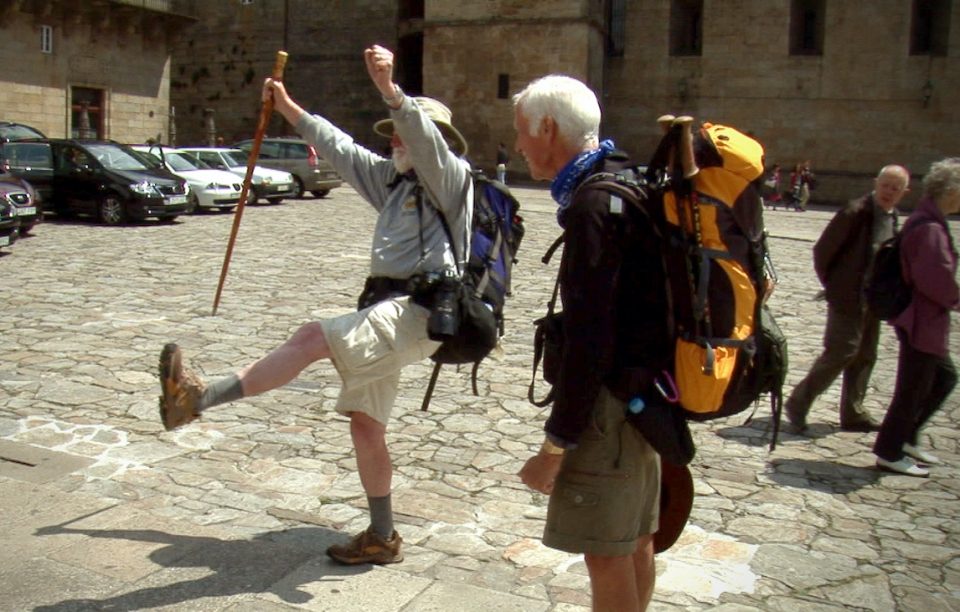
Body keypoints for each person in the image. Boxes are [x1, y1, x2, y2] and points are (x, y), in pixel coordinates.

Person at [156, 44, 473, 565]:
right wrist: (287, 107)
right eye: (392, 132)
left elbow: (420, 135)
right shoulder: (392, 180)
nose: (396, 138)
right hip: (386, 310)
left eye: (405, 132)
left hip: (422, 310)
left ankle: (195, 398)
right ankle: (383, 536)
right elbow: (339, 147)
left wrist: (393, 92)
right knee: (366, 424)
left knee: (310, 338)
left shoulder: (450, 179)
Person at [514, 75, 667, 611]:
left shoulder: (592, 205)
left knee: (604, 551)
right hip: (647, 398)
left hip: (607, 409)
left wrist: (555, 446)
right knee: (632, 539)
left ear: (548, 128)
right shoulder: (628, 179)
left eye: (522, 133)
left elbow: (589, 339)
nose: (518, 147)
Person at [785, 165, 910, 433]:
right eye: (885, 185)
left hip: (873, 301)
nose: (889, 191)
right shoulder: (855, 213)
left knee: (865, 355)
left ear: (904, 192)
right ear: (876, 182)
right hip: (848, 297)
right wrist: (835, 286)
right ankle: (799, 401)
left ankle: (853, 412)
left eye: (895, 188)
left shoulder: (893, 217)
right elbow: (823, 251)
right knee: (841, 352)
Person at [873, 158, 960, 477]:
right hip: (920, 320)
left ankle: (907, 436)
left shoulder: (929, 221)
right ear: (950, 191)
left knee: (942, 377)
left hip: (926, 321)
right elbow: (935, 277)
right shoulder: (930, 228)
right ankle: (889, 449)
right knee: (912, 388)